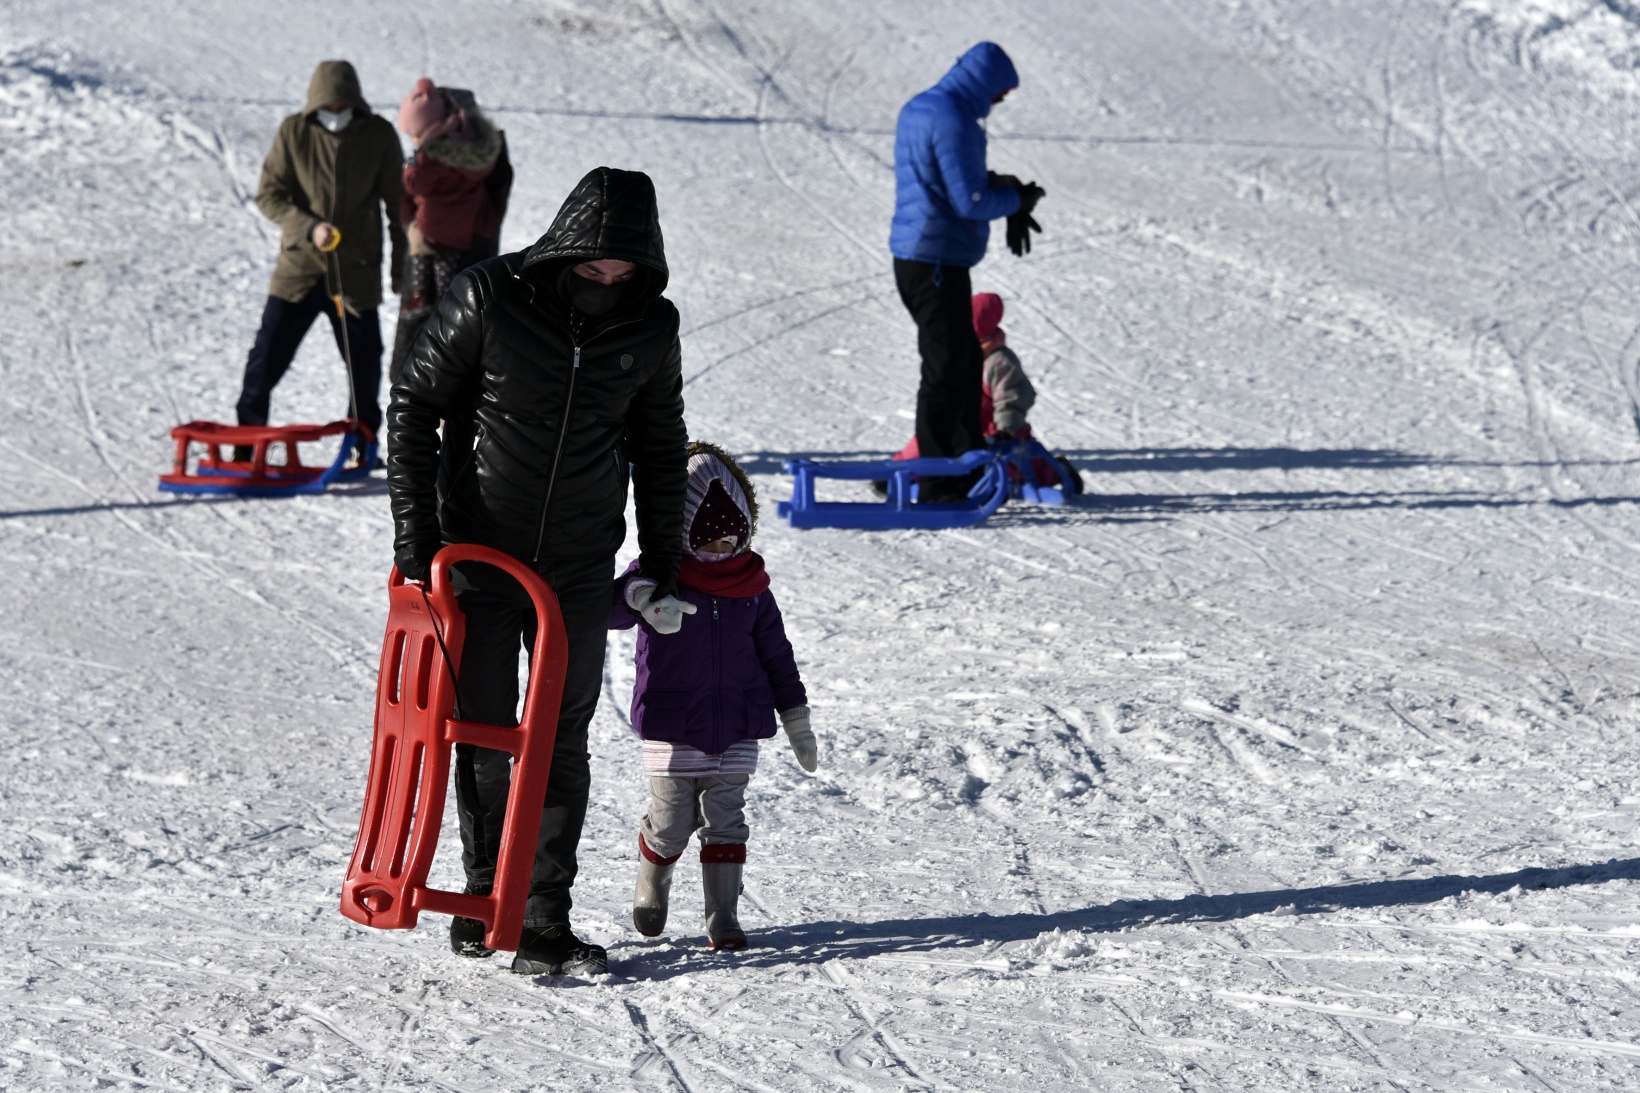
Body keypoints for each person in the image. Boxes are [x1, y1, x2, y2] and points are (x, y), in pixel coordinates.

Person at [387, 167, 690, 976]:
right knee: (483, 729)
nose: (606, 284)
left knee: (559, 738)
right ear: (565, 250)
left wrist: (662, 557)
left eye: (622, 274)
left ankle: (542, 913)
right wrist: (417, 541)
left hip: (578, 565)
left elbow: (661, 447)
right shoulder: (491, 296)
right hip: (479, 553)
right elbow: (414, 404)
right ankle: (485, 893)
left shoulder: (651, 326)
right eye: (592, 269)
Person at [610, 442, 815, 950]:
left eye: (731, 539)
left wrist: (796, 718)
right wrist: (641, 596)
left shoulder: (753, 587)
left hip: (739, 724)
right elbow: (610, 609)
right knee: (670, 822)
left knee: (725, 822)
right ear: (685, 531)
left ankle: (722, 915)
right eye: (710, 540)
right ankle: (652, 884)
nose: (722, 551)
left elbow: (778, 655)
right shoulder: (661, 576)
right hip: (672, 723)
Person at [889, 42, 1044, 500]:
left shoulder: (924, 107)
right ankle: (938, 481)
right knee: (946, 370)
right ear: (987, 84)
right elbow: (969, 201)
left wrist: (1004, 188)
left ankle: (966, 467)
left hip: (927, 256)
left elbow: (942, 181)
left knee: (962, 364)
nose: (999, 102)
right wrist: (1016, 200)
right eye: (1001, 94)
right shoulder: (954, 118)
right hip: (935, 259)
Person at [237, 60, 406, 451]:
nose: (335, 113)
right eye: (327, 106)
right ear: (314, 104)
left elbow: (399, 207)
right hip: (299, 270)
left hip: (355, 273)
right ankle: (245, 443)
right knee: (266, 357)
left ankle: (362, 445)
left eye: (342, 106)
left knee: (364, 364)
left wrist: (400, 267)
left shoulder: (378, 135)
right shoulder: (294, 131)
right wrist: (309, 227)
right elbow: (269, 196)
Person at [888, 292, 1083, 494]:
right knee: (928, 439)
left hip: (995, 428)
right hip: (960, 422)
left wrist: (1005, 428)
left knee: (1019, 465)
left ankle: (1057, 471)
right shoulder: (958, 355)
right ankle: (898, 472)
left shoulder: (998, 361)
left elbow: (1011, 397)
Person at [388, 78, 514, 384]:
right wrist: (412, 226)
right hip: (446, 249)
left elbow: (494, 203)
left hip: (464, 255)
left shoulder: (444, 156)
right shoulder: (465, 155)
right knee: (444, 327)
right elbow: (406, 198)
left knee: (452, 337)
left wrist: (420, 226)